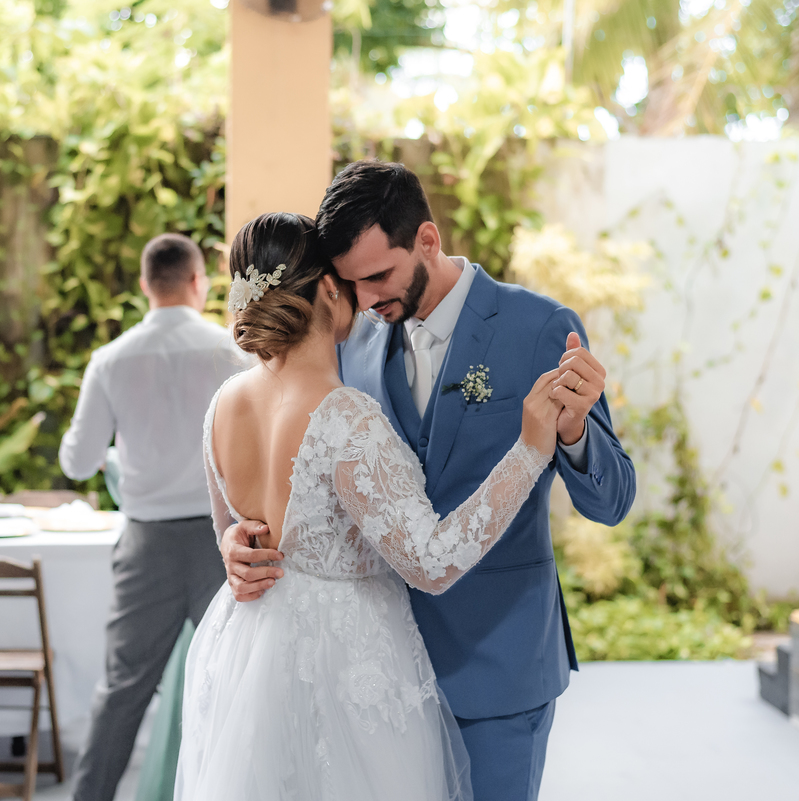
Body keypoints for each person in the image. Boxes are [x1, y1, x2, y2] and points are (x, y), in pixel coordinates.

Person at [220, 161, 637, 800]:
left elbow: (612, 501)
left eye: (379, 276)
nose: (365, 299)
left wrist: (575, 435)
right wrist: (240, 540)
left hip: (496, 665)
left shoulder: (539, 329)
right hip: (371, 674)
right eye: (350, 283)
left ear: (427, 240)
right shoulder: (348, 341)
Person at [174, 212, 565, 800]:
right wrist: (530, 452)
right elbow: (432, 562)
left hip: (249, 654)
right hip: (345, 664)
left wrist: (234, 547)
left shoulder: (224, 404)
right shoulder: (343, 415)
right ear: (328, 289)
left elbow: (231, 532)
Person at [60, 233, 250, 801]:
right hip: (225, 544)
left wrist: (123, 455)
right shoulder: (231, 352)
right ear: (200, 282)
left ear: (145, 286)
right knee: (238, 682)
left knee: (123, 689)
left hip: (146, 547)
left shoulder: (111, 360)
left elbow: (77, 461)